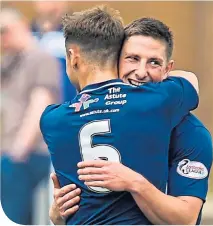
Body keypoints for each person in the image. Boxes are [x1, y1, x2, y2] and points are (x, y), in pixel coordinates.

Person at [40, 5, 199, 225]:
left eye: (152, 62)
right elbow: (190, 80)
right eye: (133, 59)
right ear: (117, 57)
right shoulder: (157, 101)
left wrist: (58, 216)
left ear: (73, 57)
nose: (141, 72)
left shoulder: (52, 120)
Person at [0, 8, 60, 225]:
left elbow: (40, 105)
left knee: (13, 219)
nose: (2, 38)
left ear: (22, 25)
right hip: (10, 153)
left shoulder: (41, 58)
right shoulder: (10, 62)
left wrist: (18, 150)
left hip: (27, 154)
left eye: (5, 30)